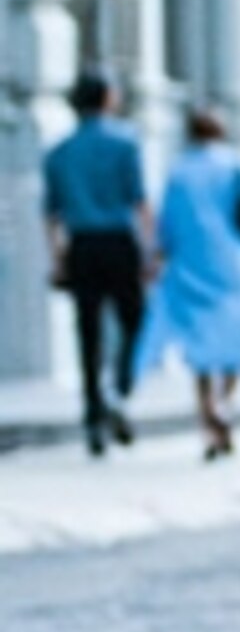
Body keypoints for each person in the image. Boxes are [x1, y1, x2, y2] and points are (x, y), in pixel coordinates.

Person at [142, 107, 240, 458]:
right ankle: (225, 403)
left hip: (191, 267)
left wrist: (156, 259)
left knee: (200, 351)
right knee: (233, 345)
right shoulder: (235, 164)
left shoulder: (179, 172)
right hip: (233, 266)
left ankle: (208, 424)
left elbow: (165, 225)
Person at [42, 70, 152, 456]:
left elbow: (51, 216)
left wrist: (58, 259)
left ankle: (93, 417)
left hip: (81, 246)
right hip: (119, 243)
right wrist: (150, 251)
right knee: (136, 322)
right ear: (107, 98)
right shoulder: (126, 142)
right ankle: (119, 390)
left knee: (88, 333)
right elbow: (140, 201)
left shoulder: (59, 152)